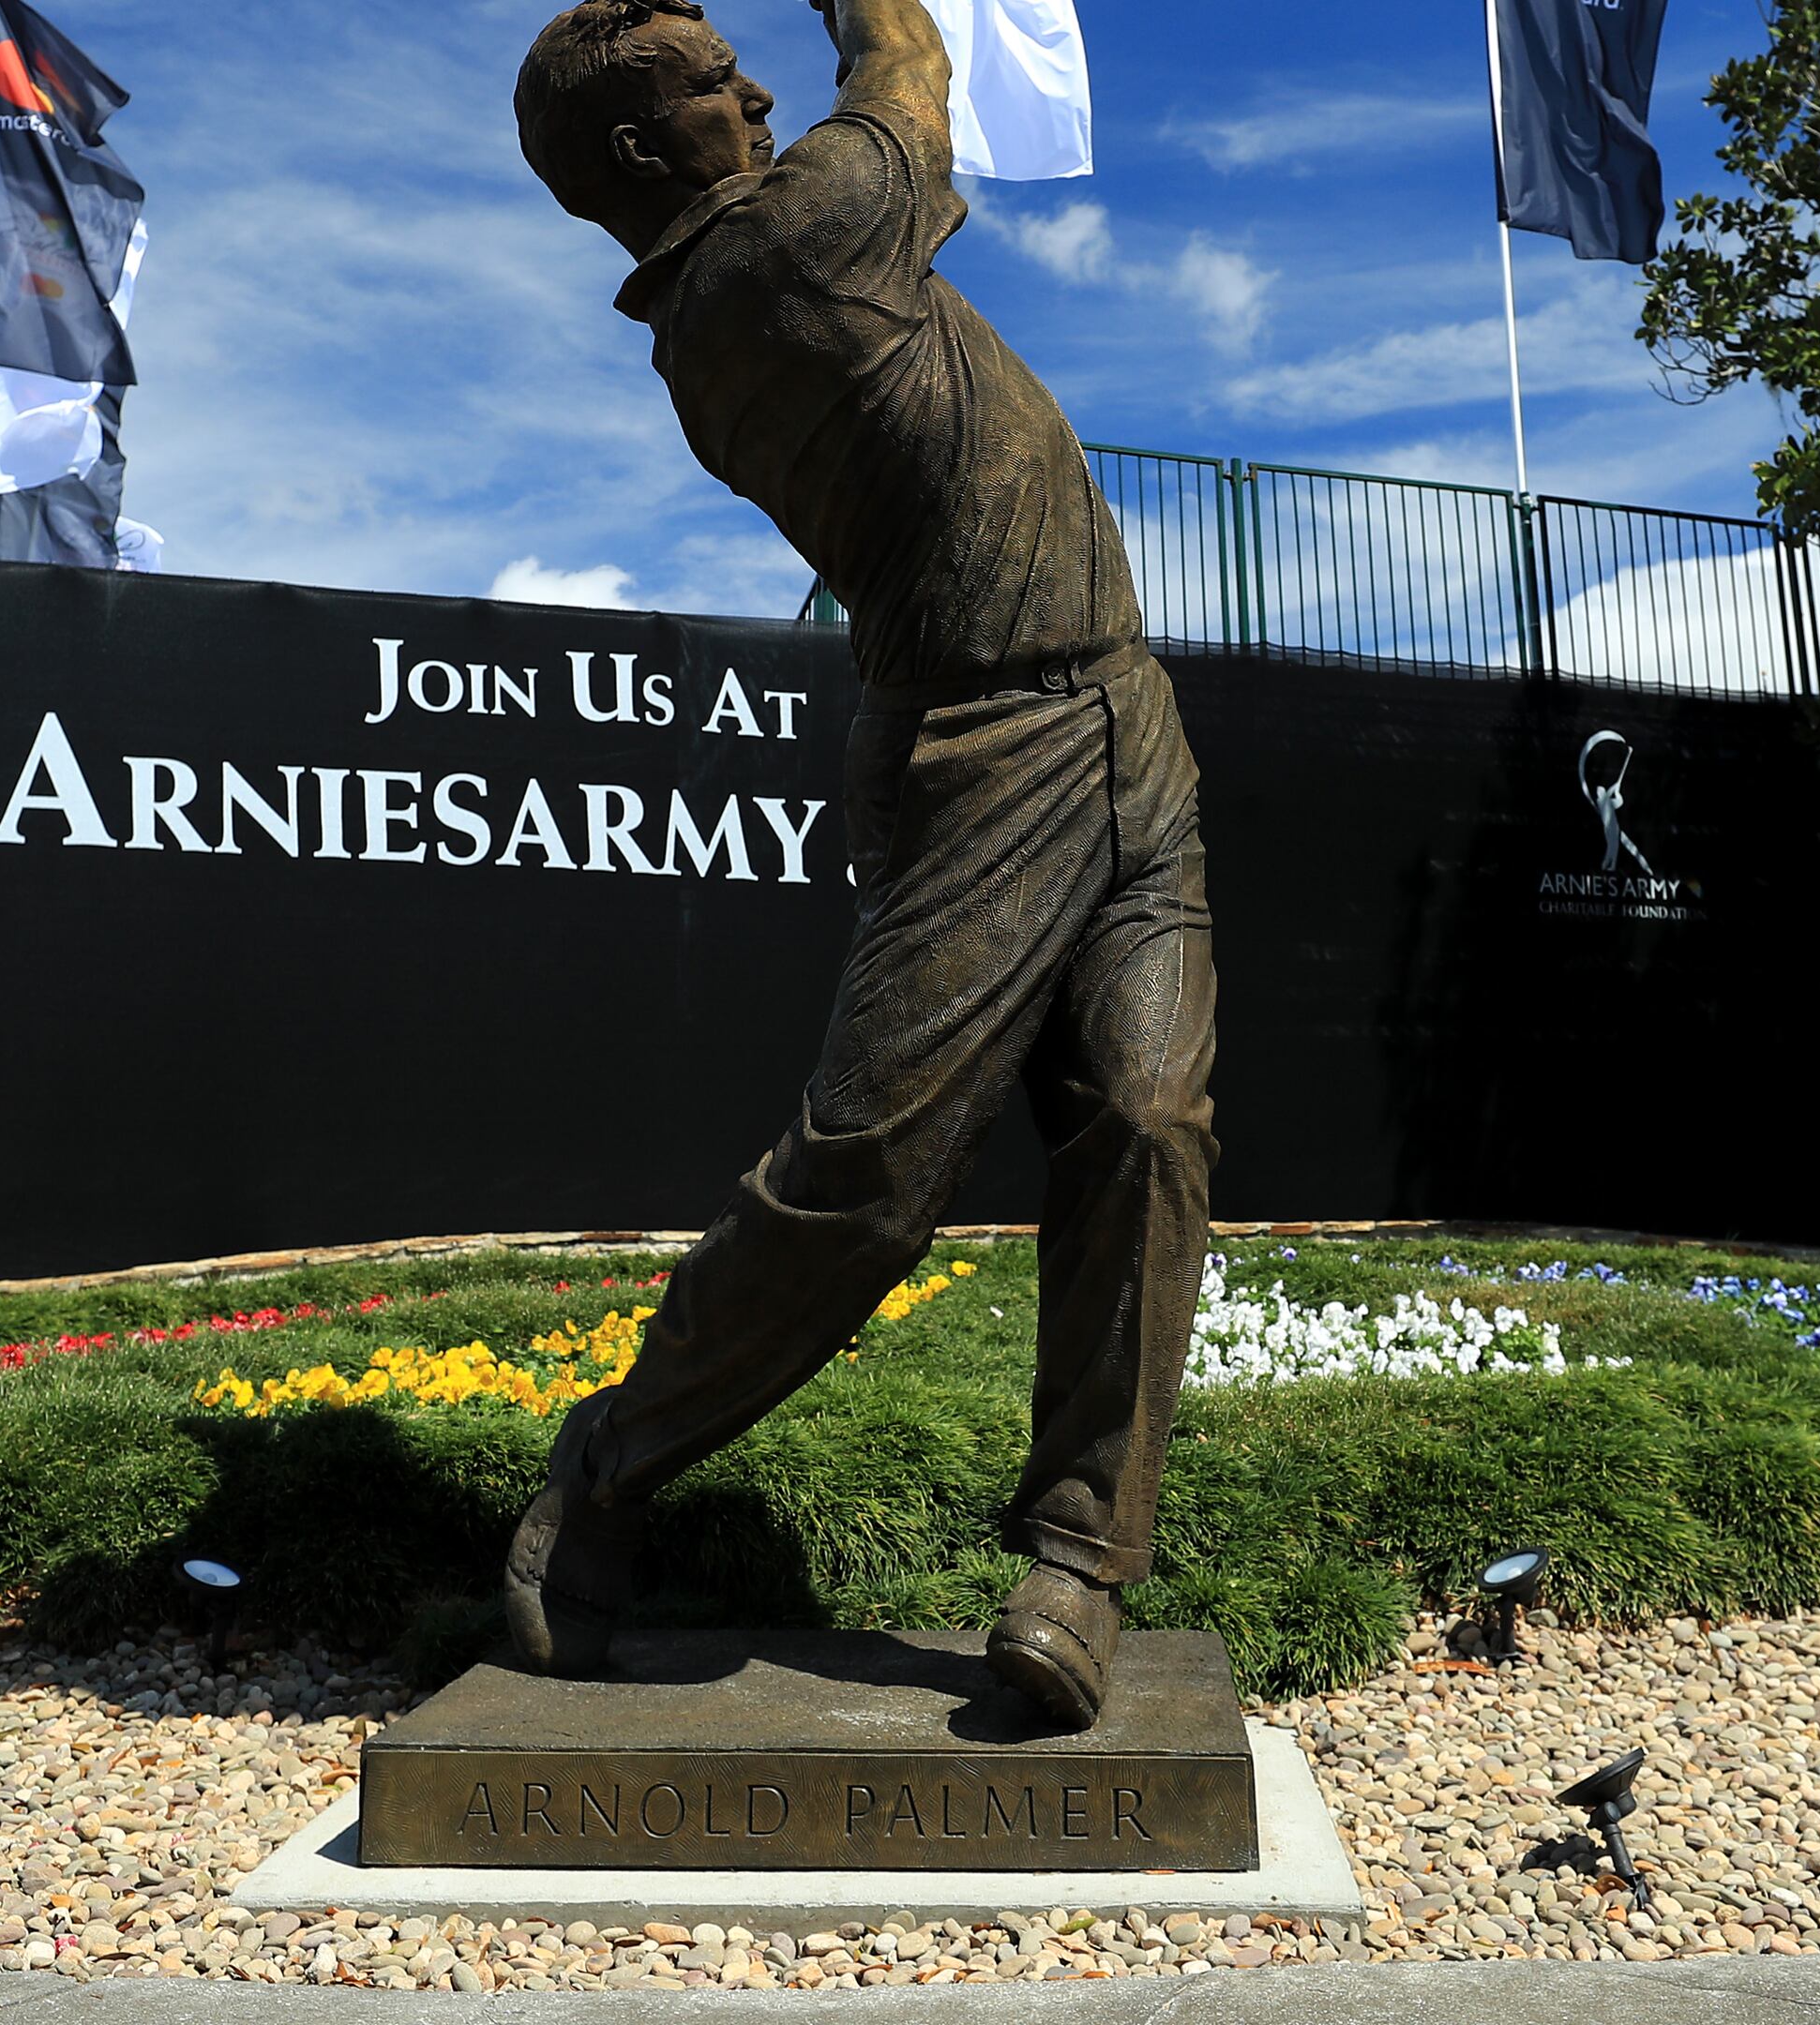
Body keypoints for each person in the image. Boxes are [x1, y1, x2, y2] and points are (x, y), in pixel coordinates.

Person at [503, 0, 1219, 1727]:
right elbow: (906, 66)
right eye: (703, 76)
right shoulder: (771, 258)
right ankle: (600, 1479)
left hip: (1127, 717)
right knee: (866, 1180)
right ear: (634, 155)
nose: (746, 86)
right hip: (983, 752)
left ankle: (1077, 1567)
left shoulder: (778, 250)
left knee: (1147, 1115)